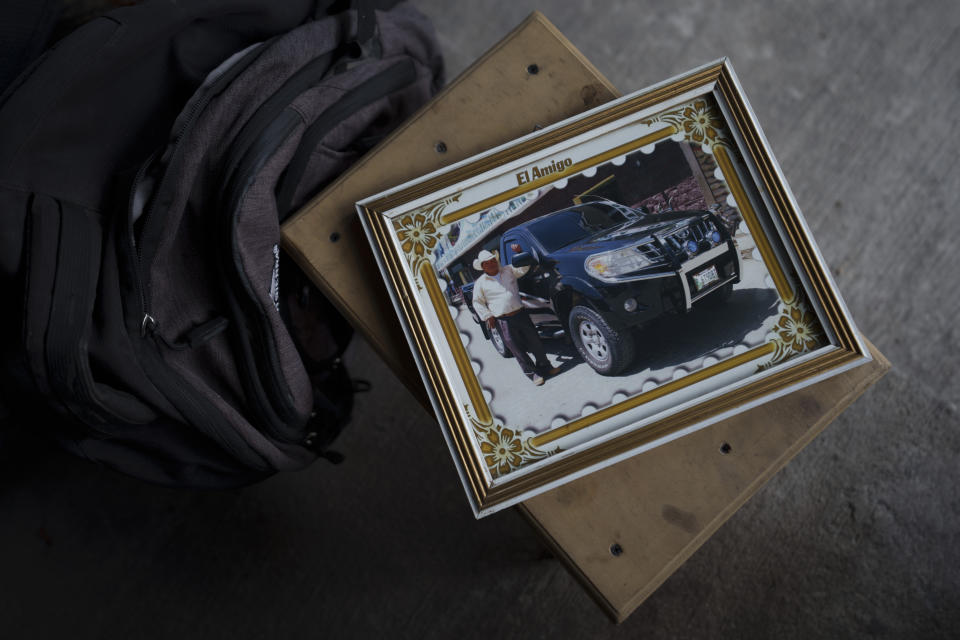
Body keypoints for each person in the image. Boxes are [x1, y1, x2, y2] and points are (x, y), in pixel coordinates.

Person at [471, 247, 560, 386]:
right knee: (517, 349)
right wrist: (488, 316)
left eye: (492, 260)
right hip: (503, 320)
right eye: (487, 263)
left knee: (535, 341)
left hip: (520, 313)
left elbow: (524, 267)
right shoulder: (480, 283)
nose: (491, 263)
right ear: (482, 266)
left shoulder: (508, 270)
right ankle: (533, 374)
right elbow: (477, 302)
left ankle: (546, 367)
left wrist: (519, 253)